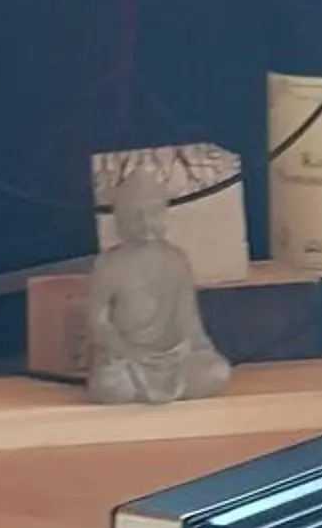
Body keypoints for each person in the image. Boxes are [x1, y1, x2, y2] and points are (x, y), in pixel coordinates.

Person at [85, 168, 231, 405]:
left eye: (152, 213)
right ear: (120, 218)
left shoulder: (177, 260)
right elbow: (98, 322)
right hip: (129, 357)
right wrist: (123, 350)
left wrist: (197, 348)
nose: (144, 223)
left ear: (164, 215)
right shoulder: (109, 264)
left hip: (175, 355)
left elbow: (190, 321)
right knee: (110, 385)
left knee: (217, 372)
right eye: (135, 214)